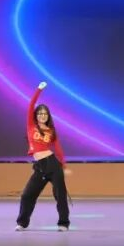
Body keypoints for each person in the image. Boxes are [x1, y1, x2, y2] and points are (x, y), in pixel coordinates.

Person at [15, 81, 71, 231]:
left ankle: (63, 223)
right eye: (40, 113)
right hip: (40, 167)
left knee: (60, 195)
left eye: (45, 113)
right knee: (27, 195)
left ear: (48, 116)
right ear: (36, 115)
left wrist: (64, 165)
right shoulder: (31, 125)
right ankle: (22, 223)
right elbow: (30, 105)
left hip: (53, 165)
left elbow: (57, 148)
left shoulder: (51, 130)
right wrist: (39, 90)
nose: (42, 115)